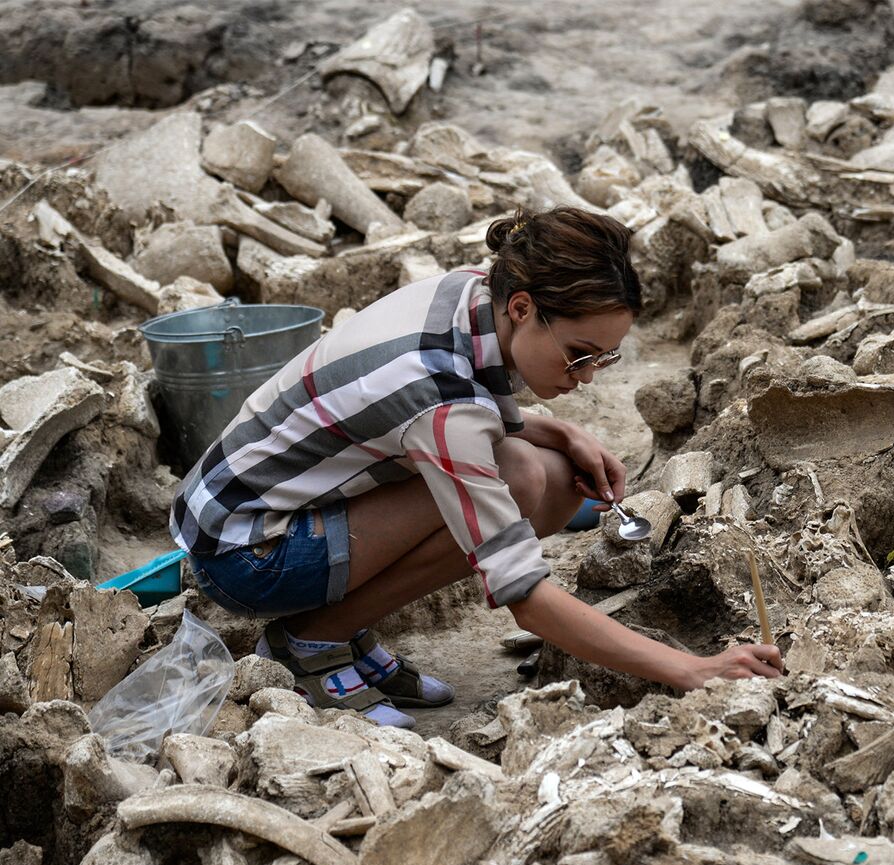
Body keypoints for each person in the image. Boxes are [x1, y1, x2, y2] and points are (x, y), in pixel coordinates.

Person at [170, 206, 783, 728]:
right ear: (522, 307)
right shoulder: (438, 399)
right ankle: (312, 640)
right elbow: (522, 592)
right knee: (516, 480)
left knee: (532, 468)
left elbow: (456, 400)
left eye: (604, 357)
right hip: (246, 553)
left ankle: (339, 625)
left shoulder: (471, 290)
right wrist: (691, 669)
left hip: (257, 504)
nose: (589, 376)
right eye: (578, 355)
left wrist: (559, 429)